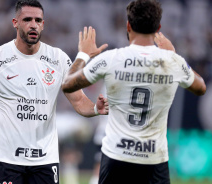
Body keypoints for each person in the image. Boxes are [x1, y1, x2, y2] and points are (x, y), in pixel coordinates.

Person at [0, 0, 108, 184]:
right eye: (27, 19)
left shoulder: (58, 59)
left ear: (43, 24)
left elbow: (79, 101)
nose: (33, 24)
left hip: (45, 159)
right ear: (15, 23)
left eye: (38, 20)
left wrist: (96, 108)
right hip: (8, 158)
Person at [62, 0, 206, 183]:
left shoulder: (111, 58)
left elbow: (67, 84)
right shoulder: (172, 62)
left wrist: (83, 54)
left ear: (128, 25)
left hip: (116, 155)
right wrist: (175, 55)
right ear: (158, 27)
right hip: (154, 159)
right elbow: (201, 87)